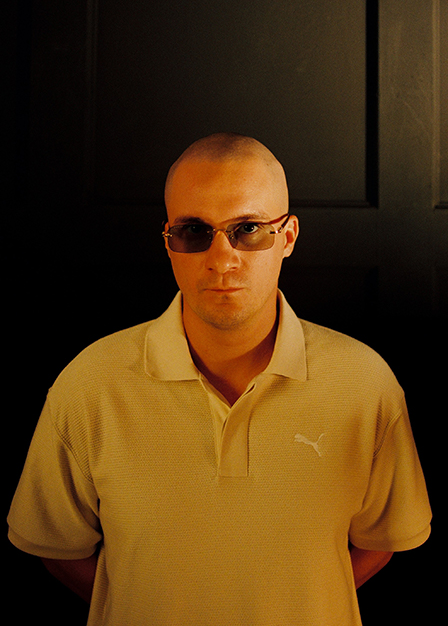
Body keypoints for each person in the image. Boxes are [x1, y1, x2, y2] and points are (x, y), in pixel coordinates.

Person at [7, 133, 431, 625]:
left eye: (248, 229)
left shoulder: (366, 384)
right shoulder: (89, 385)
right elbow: (57, 548)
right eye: (194, 231)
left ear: (288, 237)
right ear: (168, 242)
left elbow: (382, 540)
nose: (222, 258)